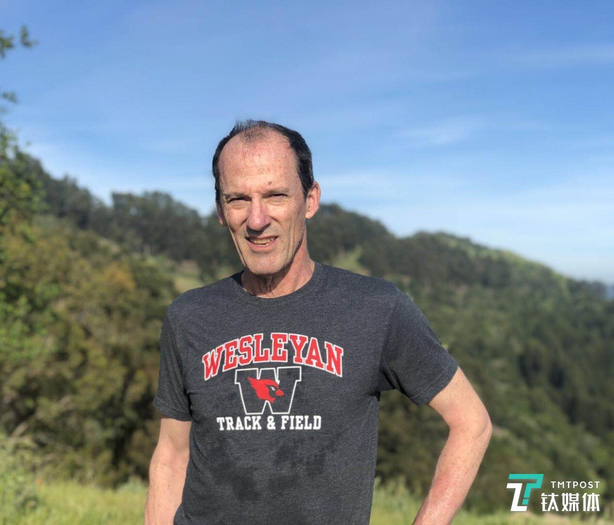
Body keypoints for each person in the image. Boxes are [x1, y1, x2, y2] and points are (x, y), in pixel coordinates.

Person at [144, 120, 492, 525]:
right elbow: (171, 455)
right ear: (221, 211)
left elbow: (471, 423)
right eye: (238, 199)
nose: (256, 219)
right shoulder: (188, 315)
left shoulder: (377, 308)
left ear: (310, 200)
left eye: (275, 195)